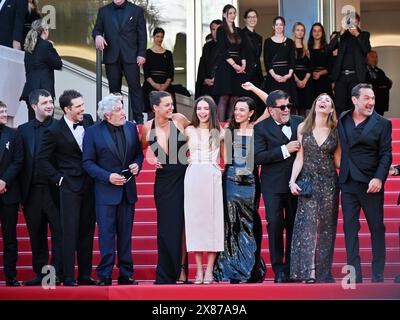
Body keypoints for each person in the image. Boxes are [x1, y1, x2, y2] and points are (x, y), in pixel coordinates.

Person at [82, 94, 144, 286]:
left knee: (126, 236)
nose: (123, 113)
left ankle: (126, 273)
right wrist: (107, 176)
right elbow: (87, 162)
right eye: (118, 110)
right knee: (106, 235)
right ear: (107, 115)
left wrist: (137, 165)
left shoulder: (131, 127)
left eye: (122, 108)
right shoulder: (93, 132)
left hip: (127, 191)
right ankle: (105, 274)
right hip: (106, 192)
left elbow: (138, 155)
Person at [37, 89, 96, 286]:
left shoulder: (88, 121)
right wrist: (59, 179)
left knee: (87, 231)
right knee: (69, 231)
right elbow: (42, 160)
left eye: (82, 104)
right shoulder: (53, 130)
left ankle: (85, 275)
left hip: (90, 184)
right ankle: (69, 276)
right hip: (69, 187)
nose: (83, 109)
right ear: (66, 109)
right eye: (78, 106)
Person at [338, 83, 392, 283]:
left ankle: (377, 272)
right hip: (348, 182)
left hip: (371, 183)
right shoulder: (342, 119)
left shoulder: (382, 123)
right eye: (366, 98)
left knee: (376, 228)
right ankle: (354, 274)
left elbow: (386, 154)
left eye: (373, 99)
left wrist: (379, 177)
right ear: (354, 100)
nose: (371, 102)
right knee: (349, 229)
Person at [289, 93, 341, 283]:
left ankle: (323, 272)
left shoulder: (336, 130)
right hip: (308, 180)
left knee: (327, 227)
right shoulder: (303, 127)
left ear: (331, 109)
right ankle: (308, 272)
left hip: (329, 182)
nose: (323, 102)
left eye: (328, 101)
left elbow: (338, 161)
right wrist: (292, 181)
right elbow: (299, 158)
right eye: (320, 99)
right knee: (307, 226)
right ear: (315, 105)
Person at [214, 97, 266, 284]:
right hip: (230, 180)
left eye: (242, 110)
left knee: (250, 222)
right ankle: (230, 269)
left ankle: (249, 267)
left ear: (251, 113)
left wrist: (252, 89)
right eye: (236, 109)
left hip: (251, 181)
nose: (237, 113)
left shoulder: (256, 129)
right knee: (231, 221)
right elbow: (226, 159)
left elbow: (270, 104)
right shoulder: (228, 131)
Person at [141, 91, 191, 284]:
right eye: (167, 105)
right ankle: (165, 271)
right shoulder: (147, 127)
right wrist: (150, 157)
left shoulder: (179, 119)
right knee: (165, 227)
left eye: (172, 104)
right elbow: (141, 148)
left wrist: (192, 149)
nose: (171, 108)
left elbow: (199, 133)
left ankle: (181, 270)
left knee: (181, 225)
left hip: (183, 177)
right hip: (163, 182)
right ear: (155, 108)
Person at [254, 90, 303, 283]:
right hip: (272, 185)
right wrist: (284, 149)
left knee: (293, 225)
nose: (286, 110)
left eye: (288, 106)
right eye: (282, 107)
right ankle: (279, 269)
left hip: (296, 183)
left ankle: (292, 268)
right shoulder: (261, 128)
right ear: (270, 109)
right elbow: (258, 157)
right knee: (275, 225)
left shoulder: (300, 122)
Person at [18, 89, 62, 286]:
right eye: (45, 103)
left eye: (51, 101)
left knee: (59, 233)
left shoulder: (61, 127)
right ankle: (42, 275)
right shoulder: (23, 130)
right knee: (37, 235)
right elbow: (19, 162)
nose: (50, 105)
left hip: (55, 191)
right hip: (32, 191)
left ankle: (57, 273)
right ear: (34, 106)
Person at [184, 96, 224, 284]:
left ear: (212, 110)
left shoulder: (219, 132)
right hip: (193, 176)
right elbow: (171, 149)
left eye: (206, 108)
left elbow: (227, 157)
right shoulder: (188, 129)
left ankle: (209, 270)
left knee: (213, 223)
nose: (202, 112)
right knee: (195, 223)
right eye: (199, 108)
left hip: (212, 175)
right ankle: (198, 270)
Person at [92, 0, 147, 124]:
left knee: (135, 88)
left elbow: (142, 34)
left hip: (131, 55)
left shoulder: (136, 10)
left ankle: (139, 121)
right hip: (112, 56)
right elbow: (96, 29)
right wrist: (98, 36)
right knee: (114, 90)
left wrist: (141, 53)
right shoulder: (103, 11)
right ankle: (118, 119)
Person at [327, 13, 371, 115]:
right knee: (339, 105)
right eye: (349, 21)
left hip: (356, 76)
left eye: (353, 21)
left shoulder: (364, 35)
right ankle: (340, 130)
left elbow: (367, 49)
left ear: (358, 22)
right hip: (341, 76)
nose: (351, 24)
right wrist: (341, 32)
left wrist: (356, 34)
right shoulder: (342, 36)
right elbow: (329, 48)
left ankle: (353, 129)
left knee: (354, 105)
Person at [0, 101, 23, 287]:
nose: (5, 114)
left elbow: (18, 161)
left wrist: (3, 181)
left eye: (5, 111)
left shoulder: (13, 135)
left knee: (10, 238)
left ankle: (11, 276)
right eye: (1, 111)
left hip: (9, 193)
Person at [20, 18, 62, 120]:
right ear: (44, 31)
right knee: (46, 125)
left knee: (32, 123)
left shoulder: (28, 46)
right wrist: (52, 46)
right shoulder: (46, 45)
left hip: (30, 90)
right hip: (44, 91)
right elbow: (58, 64)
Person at [213, 4, 246, 122]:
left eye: (234, 13)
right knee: (224, 97)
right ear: (224, 14)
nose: (233, 15)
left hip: (238, 66)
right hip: (226, 65)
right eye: (230, 13)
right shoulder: (221, 29)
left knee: (235, 98)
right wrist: (235, 65)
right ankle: (220, 127)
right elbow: (222, 50)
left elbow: (242, 49)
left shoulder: (239, 31)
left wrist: (242, 65)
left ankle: (232, 125)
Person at [263, 16, 298, 109]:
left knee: (288, 102)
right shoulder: (267, 42)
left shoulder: (290, 42)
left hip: (287, 76)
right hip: (273, 76)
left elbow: (292, 60)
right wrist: (274, 75)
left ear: (284, 26)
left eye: (281, 24)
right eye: (277, 24)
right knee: (273, 103)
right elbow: (267, 61)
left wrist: (288, 75)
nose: (279, 27)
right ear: (273, 26)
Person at [142, 28, 175, 119]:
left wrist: (164, 86)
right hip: (150, 85)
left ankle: (169, 133)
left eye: (161, 37)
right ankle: (152, 133)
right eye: (157, 36)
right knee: (152, 114)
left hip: (166, 86)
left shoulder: (168, 54)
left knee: (168, 114)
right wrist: (155, 85)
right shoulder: (147, 53)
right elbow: (146, 72)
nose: (159, 39)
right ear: (153, 37)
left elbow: (170, 72)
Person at [240, 9, 264, 117]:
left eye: (254, 17)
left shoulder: (259, 38)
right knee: (245, 101)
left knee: (256, 101)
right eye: (249, 17)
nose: (252, 19)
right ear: (245, 19)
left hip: (257, 73)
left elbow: (257, 56)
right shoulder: (240, 34)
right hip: (244, 72)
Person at [195, 19, 222, 100]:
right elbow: (202, 65)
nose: (216, 32)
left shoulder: (229, 46)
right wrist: (205, 79)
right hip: (208, 86)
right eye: (213, 29)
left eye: (219, 29)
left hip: (222, 87)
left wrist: (218, 78)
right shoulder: (207, 46)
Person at [308, 23, 333, 102]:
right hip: (311, 80)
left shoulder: (327, 48)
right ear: (312, 33)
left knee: (325, 103)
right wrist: (313, 73)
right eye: (314, 31)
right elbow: (308, 65)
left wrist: (319, 73)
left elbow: (330, 67)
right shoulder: (308, 48)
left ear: (322, 33)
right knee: (313, 105)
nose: (317, 33)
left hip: (324, 80)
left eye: (319, 31)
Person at [292, 22, 312, 116]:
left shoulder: (307, 48)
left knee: (303, 109)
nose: (300, 32)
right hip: (293, 79)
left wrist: (304, 80)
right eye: (298, 30)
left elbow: (310, 67)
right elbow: (290, 66)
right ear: (294, 32)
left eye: (302, 30)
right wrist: (297, 81)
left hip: (305, 81)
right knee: (293, 106)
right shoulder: (290, 46)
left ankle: (302, 130)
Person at [366, 50, 392, 116]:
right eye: (372, 57)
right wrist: (383, 83)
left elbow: (388, 83)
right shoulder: (365, 70)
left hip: (381, 102)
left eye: (376, 57)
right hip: (373, 102)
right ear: (367, 58)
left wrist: (385, 82)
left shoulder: (379, 71)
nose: (375, 59)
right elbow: (372, 82)